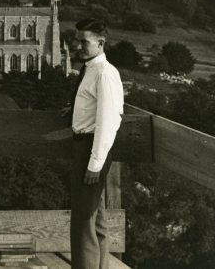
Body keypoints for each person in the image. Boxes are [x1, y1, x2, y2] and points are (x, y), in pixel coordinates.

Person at [69, 18, 124, 269]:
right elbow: (92, 105)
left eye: (84, 41)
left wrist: (94, 164)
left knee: (83, 221)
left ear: (101, 43)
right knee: (96, 216)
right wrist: (73, 111)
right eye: (76, 40)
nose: (77, 45)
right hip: (86, 147)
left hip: (92, 150)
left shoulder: (105, 73)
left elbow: (108, 121)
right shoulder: (90, 68)